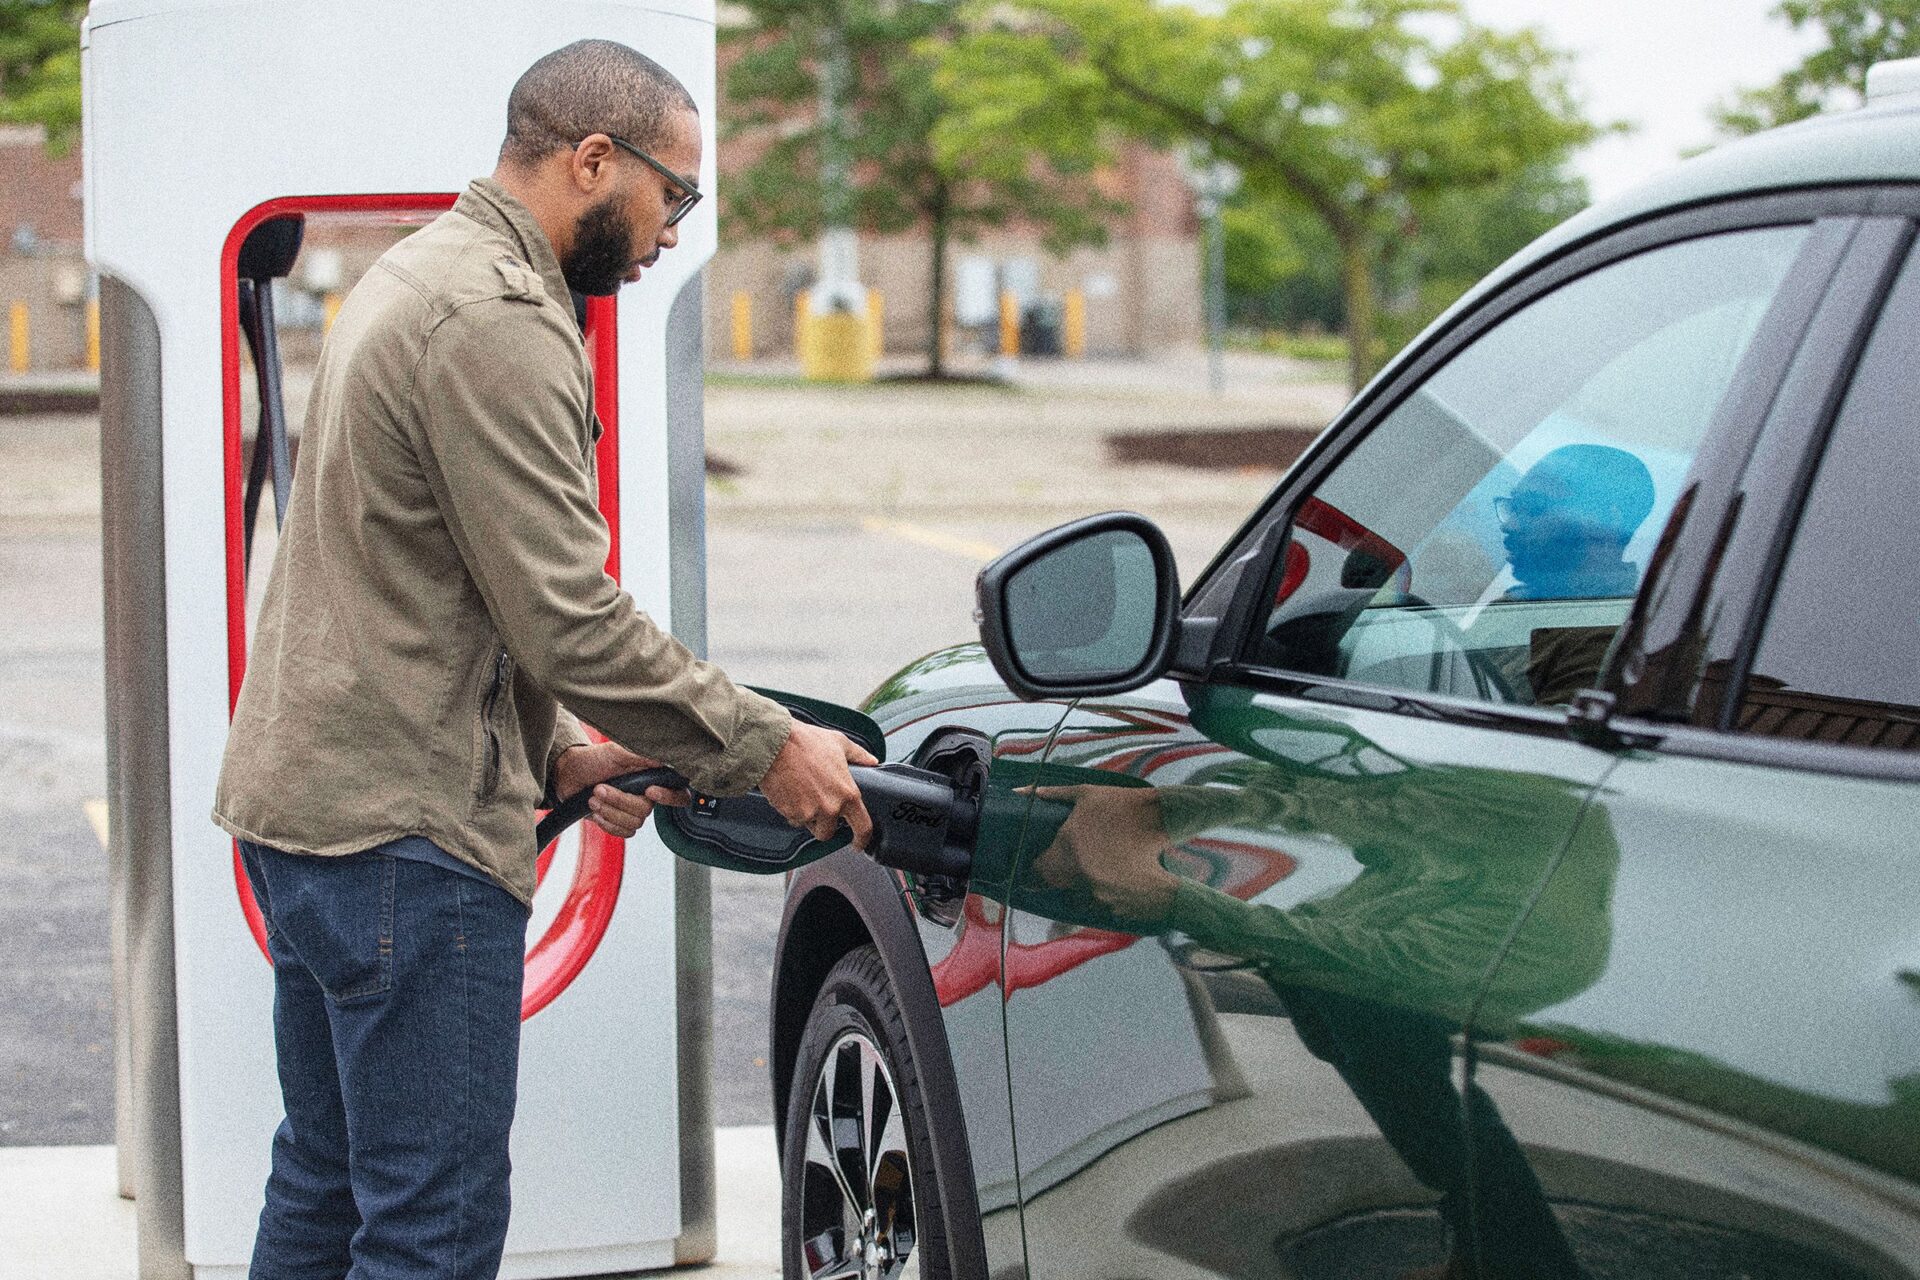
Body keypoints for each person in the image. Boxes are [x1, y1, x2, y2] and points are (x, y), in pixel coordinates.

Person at [212, 40, 873, 1279]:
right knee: (430, 1224)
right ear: (591, 160)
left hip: (311, 812)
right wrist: (768, 742)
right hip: (403, 842)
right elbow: (570, 617)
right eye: (674, 195)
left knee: (327, 1178)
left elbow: (420, 582)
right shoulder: (499, 318)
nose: (674, 232)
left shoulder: (423, 275)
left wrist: (562, 752)